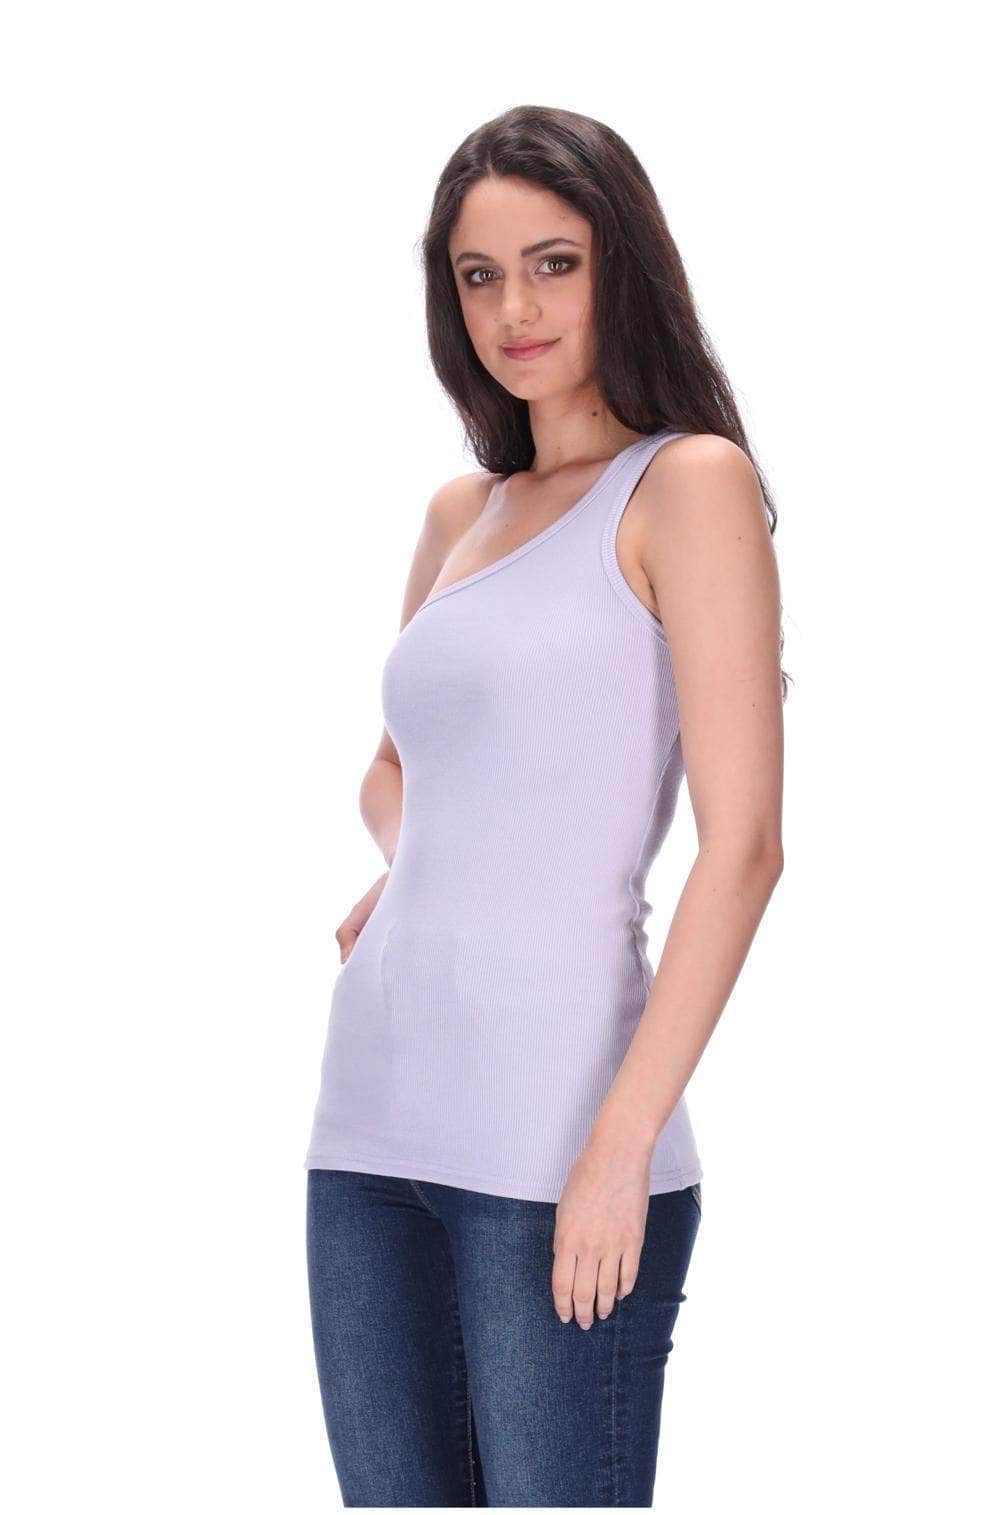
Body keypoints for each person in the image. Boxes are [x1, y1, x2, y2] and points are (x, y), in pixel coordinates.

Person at [303, 104, 786, 1507]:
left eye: (553, 263)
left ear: (621, 263)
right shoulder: (462, 514)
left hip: (560, 1140)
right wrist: (423, 864)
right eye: (479, 275)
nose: (514, 308)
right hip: (369, 1127)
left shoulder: (685, 485)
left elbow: (746, 848)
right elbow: (395, 768)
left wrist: (621, 1149)